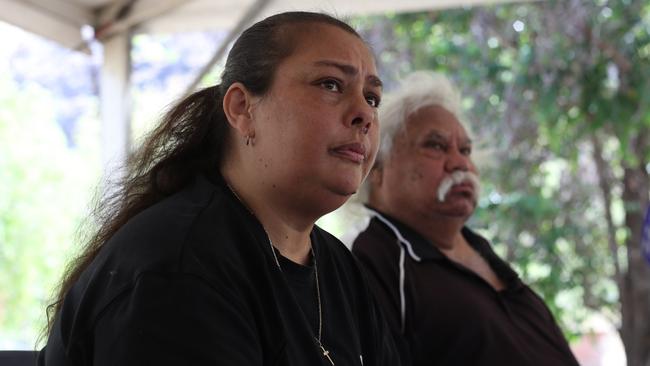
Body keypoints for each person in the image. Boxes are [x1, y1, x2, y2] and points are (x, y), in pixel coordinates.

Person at [39, 11, 401, 366]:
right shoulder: (178, 269)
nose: (364, 114)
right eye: (330, 84)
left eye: (372, 98)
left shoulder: (339, 268)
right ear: (242, 108)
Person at [351, 71, 580, 366]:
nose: (460, 163)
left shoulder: (481, 249)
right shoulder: (377, 259)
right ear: (377, 167)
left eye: (465, 150)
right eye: (435, 145)